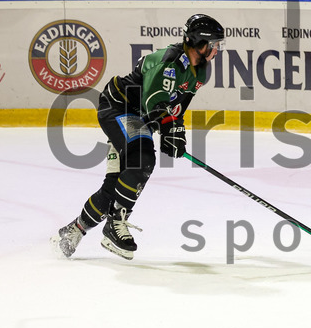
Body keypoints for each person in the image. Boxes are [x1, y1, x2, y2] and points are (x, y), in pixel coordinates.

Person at [52, 15, 226, 260]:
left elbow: (175, 107)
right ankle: (115, 225)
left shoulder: (200, 72)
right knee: (143, 159)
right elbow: (154, 102)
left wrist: (175, 133)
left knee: (116, 186)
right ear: (199, 42)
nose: (217, 50)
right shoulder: (169, 62)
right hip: (119, 108)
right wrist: (166, 126)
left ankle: (74, 230)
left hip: (136, 117)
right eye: (214, 44)